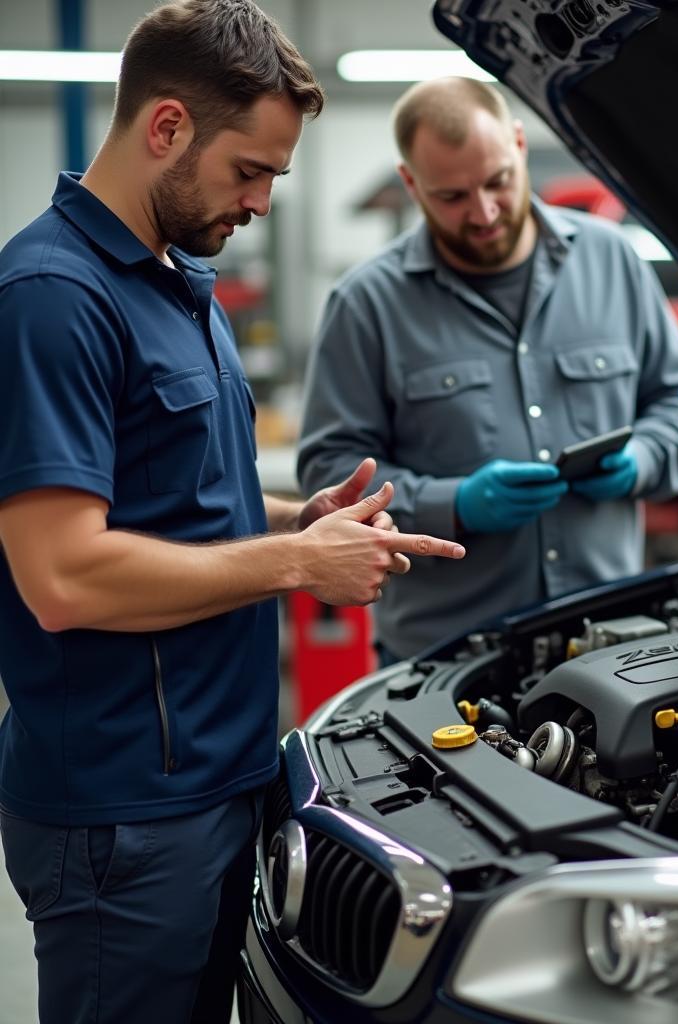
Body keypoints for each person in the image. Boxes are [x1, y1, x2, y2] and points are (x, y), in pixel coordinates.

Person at [0, 4, 465, 1023]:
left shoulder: (182, 286)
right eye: (248, 171)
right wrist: (297, 570)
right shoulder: (52, 297)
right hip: (126, 817)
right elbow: (63, 574)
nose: (260, 201)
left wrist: (299, 523)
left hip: (222, 778)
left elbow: (178, 501)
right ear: (166, 128)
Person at [298, 77, 678, 663]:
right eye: (452, 196)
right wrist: (455, 503)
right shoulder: (367, 304)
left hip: (606, 640)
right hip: (447, 660)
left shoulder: (611, 260)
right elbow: (330, 476)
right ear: (412, 183)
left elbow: (674, 400)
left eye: (497, 182)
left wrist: (644, 460)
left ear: (518, 144)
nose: (483, 212)